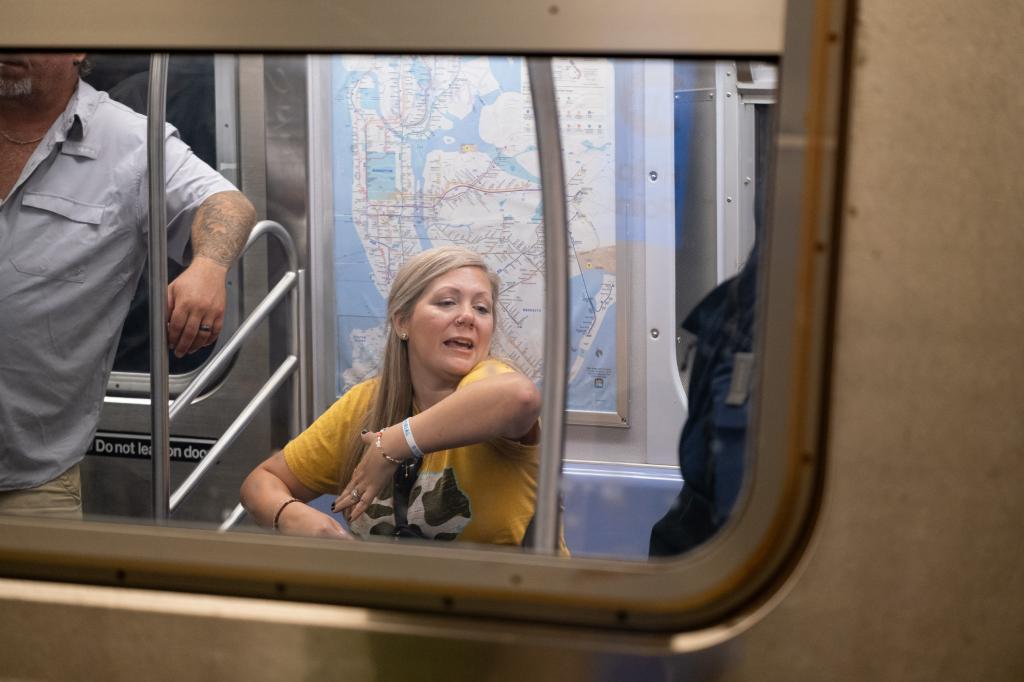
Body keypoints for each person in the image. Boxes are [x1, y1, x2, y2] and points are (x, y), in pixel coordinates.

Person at [0, 52, 256, 518]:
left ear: (77, 47)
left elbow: (226, 203)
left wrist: (206, 268)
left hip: (29, 485)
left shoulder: (131, 144)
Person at [241, 246, 547, 547]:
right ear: (402, 322)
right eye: (447, 302)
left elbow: (520, 397)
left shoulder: (491, 380)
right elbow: (260, 484)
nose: (468, 316)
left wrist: (394, 444)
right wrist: (293, 517)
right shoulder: (365, 404)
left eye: (482, 308)